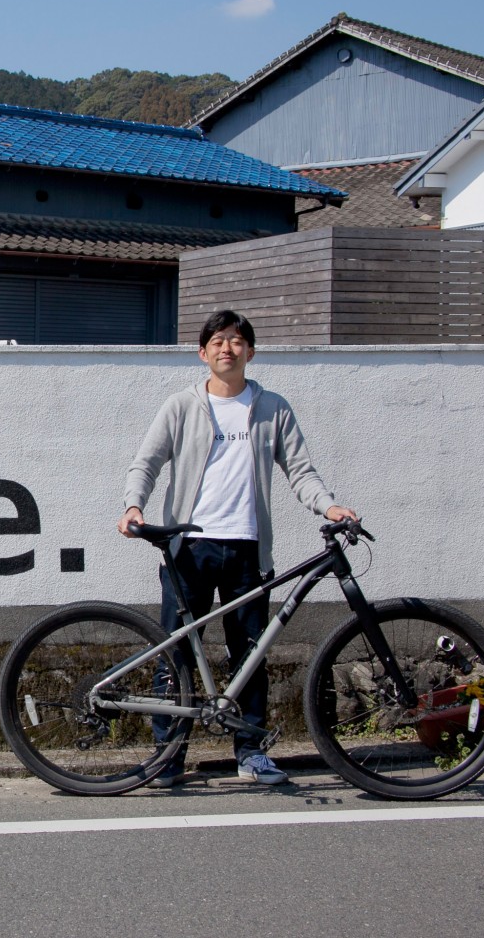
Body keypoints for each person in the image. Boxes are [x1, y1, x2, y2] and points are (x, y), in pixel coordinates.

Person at [119, 310, 356, 787]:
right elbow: (146, 463)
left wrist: (328, 507)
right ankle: (168, 757)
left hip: (247, 549)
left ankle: (252, 753)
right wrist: (133, 506)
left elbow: (301, 471)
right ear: (203, 353)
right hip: (190, 547)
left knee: (250, 655)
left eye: (237, 341)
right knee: (177, 656)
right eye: (219, 341)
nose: (228, 348)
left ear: (250, 351)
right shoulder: (181, 406)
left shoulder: (271, 407)